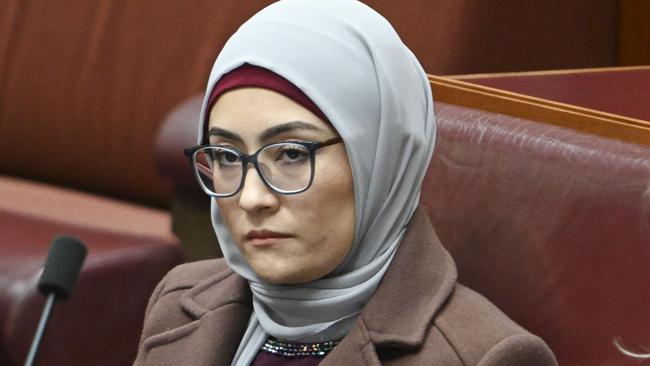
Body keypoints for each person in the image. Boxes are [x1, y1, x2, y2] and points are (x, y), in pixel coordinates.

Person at [134, 1, 557, 365]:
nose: (251, 198)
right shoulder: (178, 304)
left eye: (292, 154)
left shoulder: (485, 357)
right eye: (227, 157)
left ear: (380, 159)